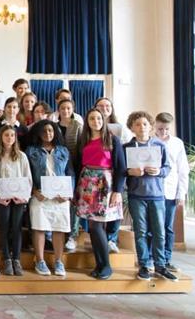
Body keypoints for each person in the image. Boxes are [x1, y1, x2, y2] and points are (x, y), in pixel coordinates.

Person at [123, 111, 177, 281]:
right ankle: (144, 265)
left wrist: (159, 171)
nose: (142, 127)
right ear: (132, 127)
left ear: (151, 126)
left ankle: (160, 265)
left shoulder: (159, 146)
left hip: (157, 195)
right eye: (137, 124)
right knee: (141, 231)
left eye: (145, 124)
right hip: (136, 195)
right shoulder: (126, 148)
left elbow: (167, 168)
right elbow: (121, 171)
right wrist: (130, 171)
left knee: (159, 231)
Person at [74, 108, 126, 280]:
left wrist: (117, 191)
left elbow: (120, 168)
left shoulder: (112, 140)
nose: (95, 121)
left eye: (98, 118)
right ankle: (99, 264)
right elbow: (78, 164)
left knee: (97, 226)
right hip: (87, 184)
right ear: (87, 122)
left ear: (103, 120)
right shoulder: (84, 140)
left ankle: (106, 266)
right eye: (91, 119)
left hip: (104, 184)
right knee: (92, 227)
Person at [26, 119, 74, 277]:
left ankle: (59, 261)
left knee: (59, 228)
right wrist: (33, 190)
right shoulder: (31, 151)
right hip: (40, 195)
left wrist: (68, 193)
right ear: (39, 133)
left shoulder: (63, 151)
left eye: (51, 131)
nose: (48, 133)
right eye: (44, 131)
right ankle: (40, 261)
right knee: (39, 228)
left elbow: (70, 173)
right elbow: (26, 173)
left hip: (60, 196)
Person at [94, 97, 132, 252]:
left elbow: (126, 150)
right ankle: (99, 239)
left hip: (115, 171)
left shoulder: (120, 129)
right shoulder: (91, 127)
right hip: (98, 173)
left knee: (114, 205)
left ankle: (111, 239)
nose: (104, 108)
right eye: (100, 106)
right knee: (97, 209)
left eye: (107, 105)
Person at [153, 112, 189, 272]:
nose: (163, 132)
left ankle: (166, 259)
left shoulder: (177, 143)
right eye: (160, 129)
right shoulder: (150, 141)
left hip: (170, 191)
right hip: (152, 191)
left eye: (166, 129)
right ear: (155, 125)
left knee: (167, 227)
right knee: (151, 228)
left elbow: (183, 170)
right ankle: (150, 259)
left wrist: (181, 194)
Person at [0, 125, 31, 276]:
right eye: (6, 135)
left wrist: (23, 196)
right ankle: (7, 258)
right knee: (5, 227)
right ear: (1, 138)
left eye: (12, 135)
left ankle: (16, 259)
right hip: (3, 199)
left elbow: (28, 178)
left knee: (16, 227)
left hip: (18, 199)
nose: (9, 138)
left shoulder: (21, 156)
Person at [57, 98, 83, 252]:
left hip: (75, 167)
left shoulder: (78, 126)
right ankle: (59, 233)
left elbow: (81, 148)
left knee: (73, 202)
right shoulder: (54, 126)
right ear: (58, 110)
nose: (65, 111)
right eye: (63, 108)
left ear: (72, 109)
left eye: (68, 108)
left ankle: (72, 236)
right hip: (59, 169)